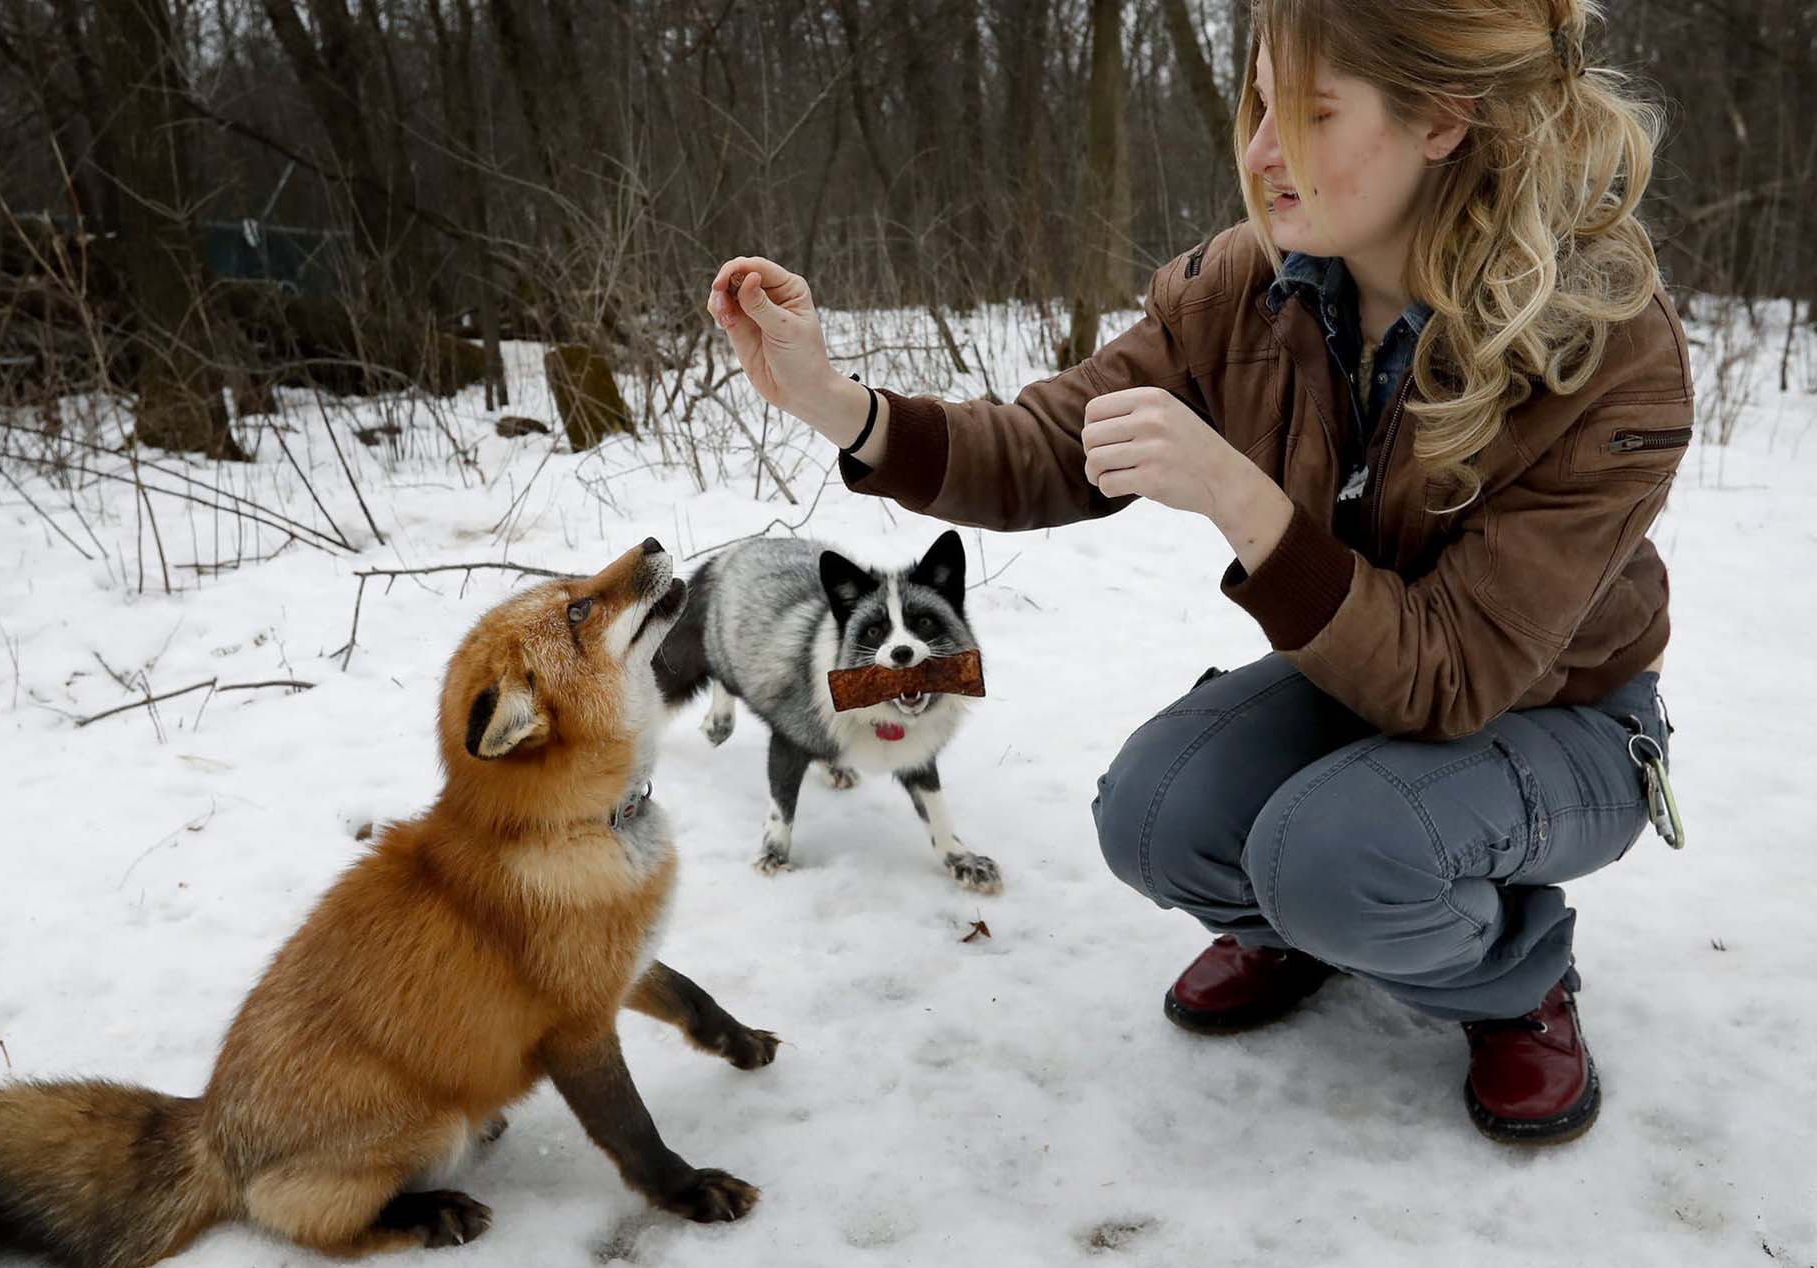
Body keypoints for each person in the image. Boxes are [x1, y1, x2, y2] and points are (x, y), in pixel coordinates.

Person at [702, 0, 1691, 1145]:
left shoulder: (1603, 342)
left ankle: (1510, 977)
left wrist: (1240, 499)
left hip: (1557, 717)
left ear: (1439, 119)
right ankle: (1311, 923)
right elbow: (1047, 442)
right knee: (1152, 815)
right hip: (1352, 675)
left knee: (1327, 856)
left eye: (1312, 113)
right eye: (1258, 102)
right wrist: (842, 404)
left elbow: (1451, 675)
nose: (1264, 149)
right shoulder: (1250, 284)